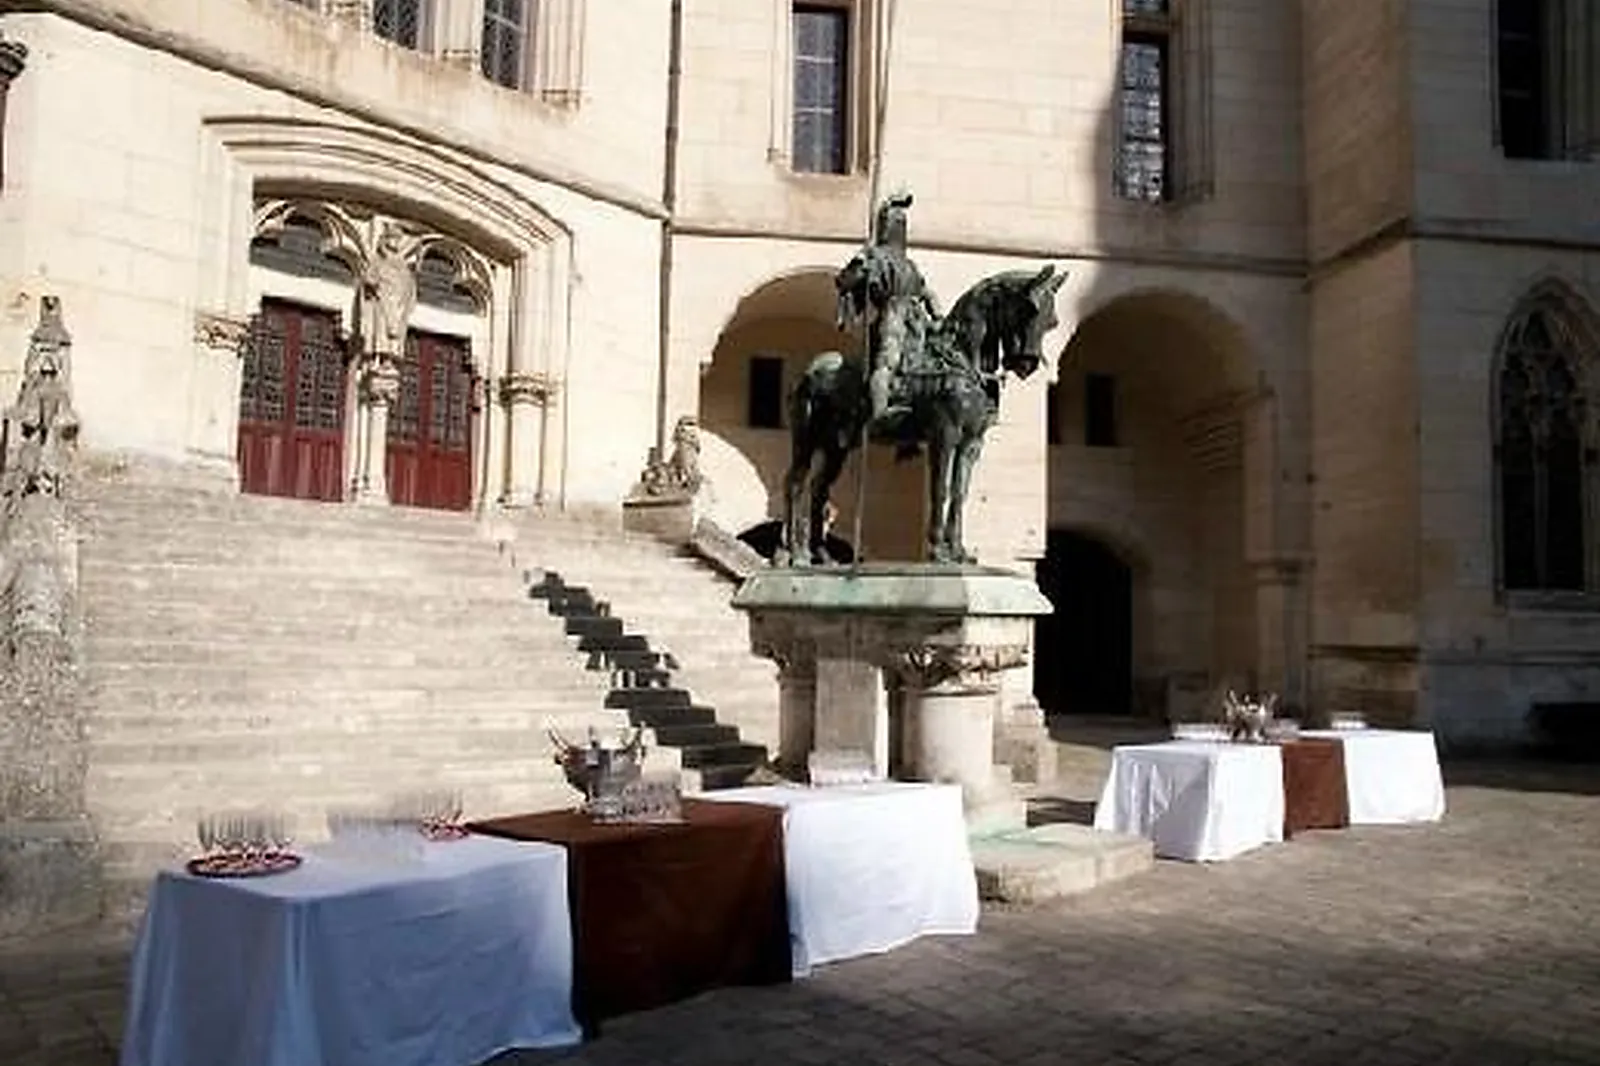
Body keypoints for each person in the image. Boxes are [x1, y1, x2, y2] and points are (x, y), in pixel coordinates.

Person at [836, 190, 941, 432]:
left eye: (902, 223)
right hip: (891, 315)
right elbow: (845, 281)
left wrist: (939, 317)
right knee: (887, 363)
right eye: (896, 222)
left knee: (926, 368)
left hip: (917, 321)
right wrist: (860, 264)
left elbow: (926, 291)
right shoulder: (875, 256)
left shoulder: (909, 264)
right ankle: (879, 413)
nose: (899, 228)